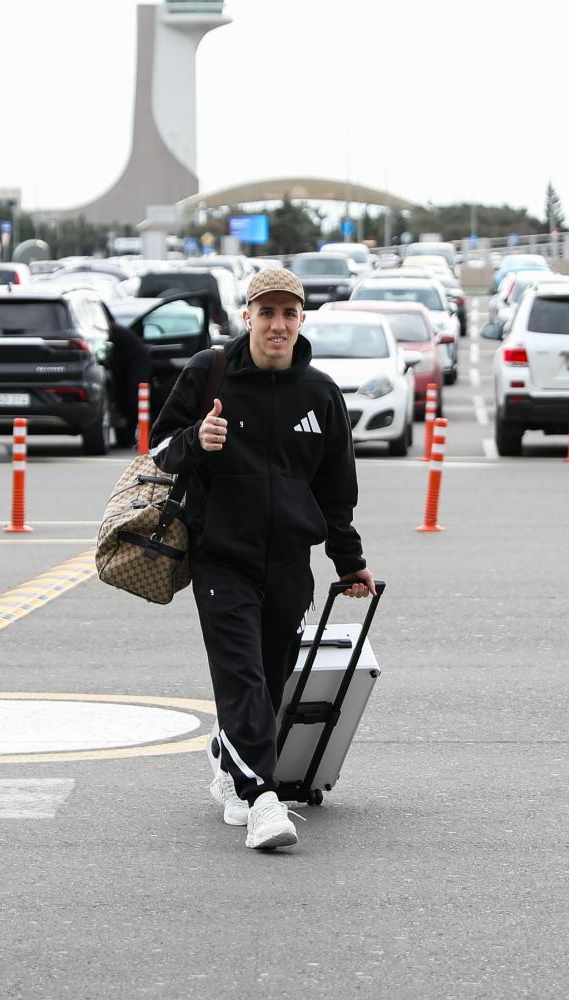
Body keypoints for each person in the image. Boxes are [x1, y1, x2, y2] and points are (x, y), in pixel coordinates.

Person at [149, 267, 375, 851]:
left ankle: (230, 757)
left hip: (289, 563)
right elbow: (160, 450)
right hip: (221, 556)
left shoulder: (320, 393)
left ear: (301, 320)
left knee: (271, 680)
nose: (277, 325)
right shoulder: (209, 373)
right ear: (246, 315)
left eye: (288, 313)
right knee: (242, 676)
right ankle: (262, 801)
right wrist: (197, 440)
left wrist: (348, 561)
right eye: (266, 312)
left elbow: (335, 490)